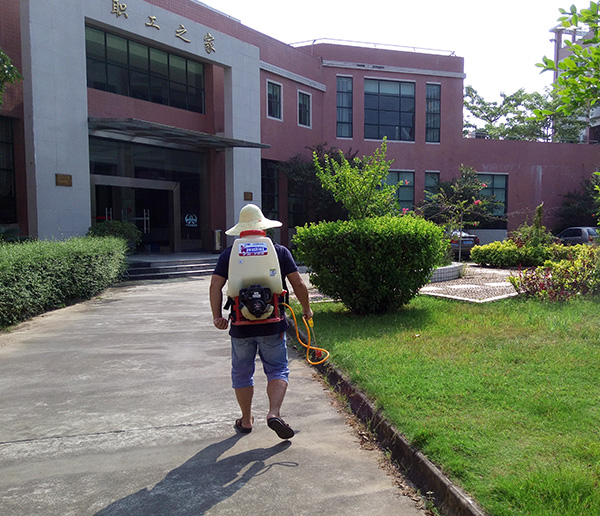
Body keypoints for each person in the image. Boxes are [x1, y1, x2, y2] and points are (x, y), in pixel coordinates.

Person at [209, 204, 313, 439]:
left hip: (240, 324)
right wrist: (307, 310)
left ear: (241, 230)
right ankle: (273, 413)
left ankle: (246, 420)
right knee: (277, 369)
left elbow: (215, 285)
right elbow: (298, 283)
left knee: (242, 372)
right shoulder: (279, 251)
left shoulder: (229, 254)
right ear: (263, 229)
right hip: (272, 321)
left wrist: (217, 316)